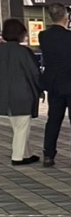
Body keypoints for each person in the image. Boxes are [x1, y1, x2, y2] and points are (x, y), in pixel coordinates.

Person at [39, 2, 71, 167]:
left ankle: (49, 155)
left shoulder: (43, 36)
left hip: (54, 84)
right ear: (66, 17)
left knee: (53, 119)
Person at [0, 17, 43, 165]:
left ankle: (27, 153)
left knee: (18, 126)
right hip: (23, 93)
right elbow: (34, 73)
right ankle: (17, 157)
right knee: (22, 127)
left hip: (4, 94)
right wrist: (40, 89)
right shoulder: (24, 52)